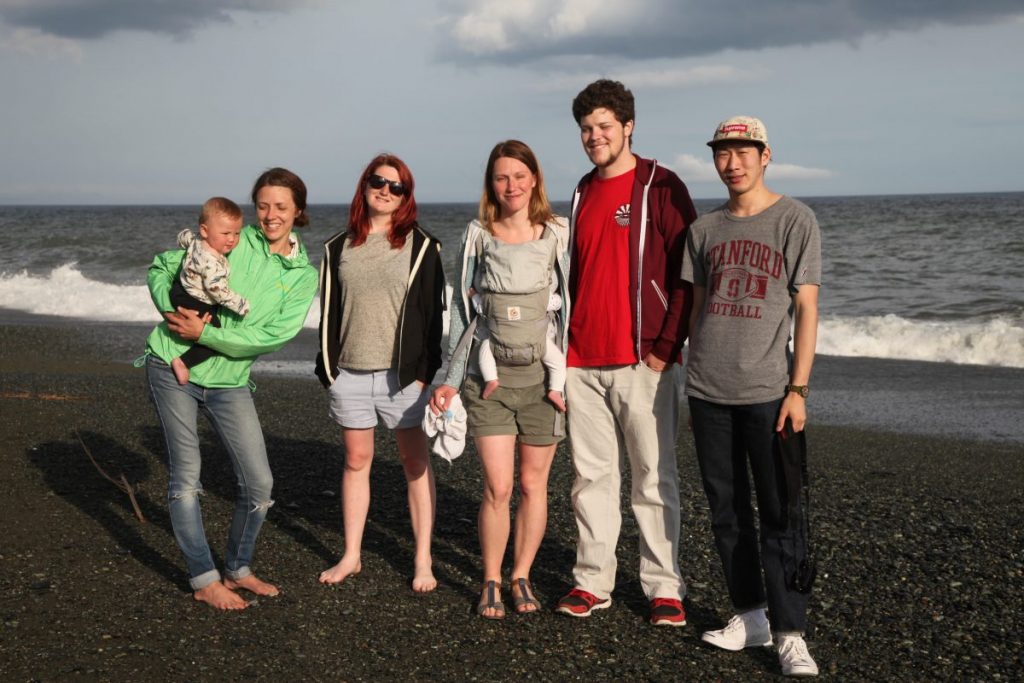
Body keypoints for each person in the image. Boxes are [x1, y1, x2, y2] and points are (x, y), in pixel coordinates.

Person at [682, 116, 821, 677]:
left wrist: (798, 389)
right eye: (723, 153)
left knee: (782, 513)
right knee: (726, 512)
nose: (732, 163)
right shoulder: (703, 230)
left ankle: (791, 633)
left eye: (743, 152)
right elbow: (697, 309)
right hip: (707, 392)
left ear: (766, 155)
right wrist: (689, 380)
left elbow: (807, 308)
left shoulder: (795, 219)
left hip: (769, 393)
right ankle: (750, 615)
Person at [144, 167, 318, 610]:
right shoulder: (233, 238)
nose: (270, 215)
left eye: (281, 207)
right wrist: (175, 313)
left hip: (230, 381)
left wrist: (205, 335)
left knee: (259, 485)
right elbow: (162, 266)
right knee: (187, 477)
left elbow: (270, 337)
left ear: (298, 210)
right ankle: (204, 578)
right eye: (262, 206)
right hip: (171, 364)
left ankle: (237, 569)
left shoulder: (303, 275)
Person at [556, 79, 696, 627]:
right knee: (590, 480)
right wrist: (561, 352)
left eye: (604, 127)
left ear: (628, 126)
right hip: (581, 360)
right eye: (586, 128)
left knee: (653, 478)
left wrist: (666, 347)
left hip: (643, 361)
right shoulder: (581, 191)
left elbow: (687, 274)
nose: (594, 136)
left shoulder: (661, 186)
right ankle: (592, 583)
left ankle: (664, 588)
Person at [430, 140, 569, 619]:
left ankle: (521, 575)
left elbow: (572, 303)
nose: (511, 185)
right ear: (491, 183)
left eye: (519, 175)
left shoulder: (557, 233)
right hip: (488, 381)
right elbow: (461, 310)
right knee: (498, 487)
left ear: (535, 178)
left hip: (543, 384)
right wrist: (449, 378)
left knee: (533, 485)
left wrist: (568, 376)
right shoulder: (477, 234)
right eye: (501, 177)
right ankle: (491, 578)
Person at [314, 153, 445, 593]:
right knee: (356, 462)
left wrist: (425, 373)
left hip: (402, 377)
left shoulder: (422, 246)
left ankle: (423, 559)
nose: (385, 191)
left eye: (396, 186)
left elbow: (434, 317)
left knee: (414, 463)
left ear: (406, 196)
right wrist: (328, 369)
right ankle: (351, 555)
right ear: (365, 185)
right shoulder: (337, 247)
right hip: (349, 373)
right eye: (378, 182)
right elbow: (329, 312)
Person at [169, 197, 250, 385]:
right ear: (205, 230)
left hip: (179, 290)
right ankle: (183, 362)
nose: (232, 239)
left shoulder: (197, 239)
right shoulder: (211, 262)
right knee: (214, 335)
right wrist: (241, 305)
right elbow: (217, 291)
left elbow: (184, 237)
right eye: (226, 233)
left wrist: (181, 238)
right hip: (194, 299)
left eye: (237, 233)